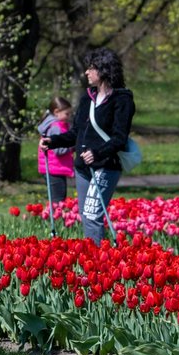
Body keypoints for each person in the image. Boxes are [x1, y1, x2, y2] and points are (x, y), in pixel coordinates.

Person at [40, 48, 135, 242]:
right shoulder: (87, 98)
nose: (86, 73)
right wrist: (53, 141)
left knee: (92, 216)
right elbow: (76, 133)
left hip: (105, 166)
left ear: (104, 70)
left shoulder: (122, 100)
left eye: (91, 68)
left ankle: (98, 267)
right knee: (86, 216)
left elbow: (119, 138)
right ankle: (91, 263)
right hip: (83, 168)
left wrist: (98, 153)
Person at [37, 96, 74, 203]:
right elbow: (59, 150)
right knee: (58, 201)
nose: (69, 116)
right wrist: (73, 146)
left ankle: (54, 218)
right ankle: (55, 219)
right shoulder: (56, 127)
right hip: (55, 168)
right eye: (67, 114)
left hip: (54, 168)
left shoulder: (55, 125)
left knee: (56, 199)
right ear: (56, 112)